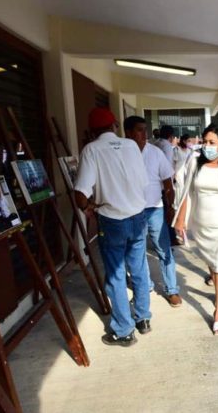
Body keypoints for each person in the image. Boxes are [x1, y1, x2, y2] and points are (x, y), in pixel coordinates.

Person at [74, 107, 150, 347]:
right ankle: (143, 318)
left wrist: (88, 207)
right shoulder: (132, 146)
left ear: (91, 131)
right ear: (114, 126)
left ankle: (124, 330)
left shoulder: (91, 150)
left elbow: (80, 193)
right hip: (138, 216)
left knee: (116, 274)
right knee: (139, 268)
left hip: (112, 220)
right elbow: (143, 182)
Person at [173, 124, 218, 335]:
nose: (207, 146)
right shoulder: (194, 163)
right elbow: (187, 192)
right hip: (200, 226)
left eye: (212, 142)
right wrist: (180, 220)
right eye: (204, 142)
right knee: (212, 265)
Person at [123, 116, 182, 307]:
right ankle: (145, 286)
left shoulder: (155, 153)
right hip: (132, 211)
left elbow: (168, 184)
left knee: (164, 249)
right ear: (128, 133)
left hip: (155, 209)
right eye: (139, 130)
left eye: (145, 130)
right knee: (137, 252)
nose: (144, 134)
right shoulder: (121, 154)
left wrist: (170, 207)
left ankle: (172, 289)